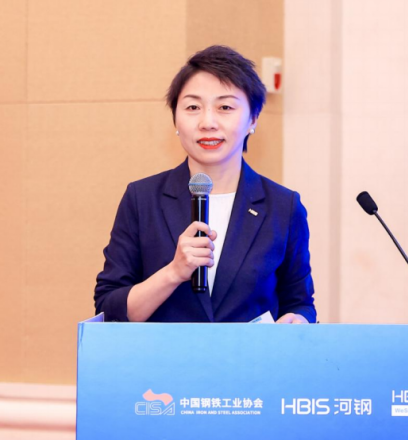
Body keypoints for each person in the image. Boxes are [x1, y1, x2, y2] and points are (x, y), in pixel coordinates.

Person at [94, 45, 315, 324]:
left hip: (249, 354)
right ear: (175, 119)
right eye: (193, 107)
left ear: (253, 119)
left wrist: (298, 320)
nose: (207, 122)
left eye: (225, 107)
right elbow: (109, 309)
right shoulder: (142, 199)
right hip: (164, 354)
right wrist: (173, 272)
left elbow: (300, 302)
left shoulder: (283, 206)